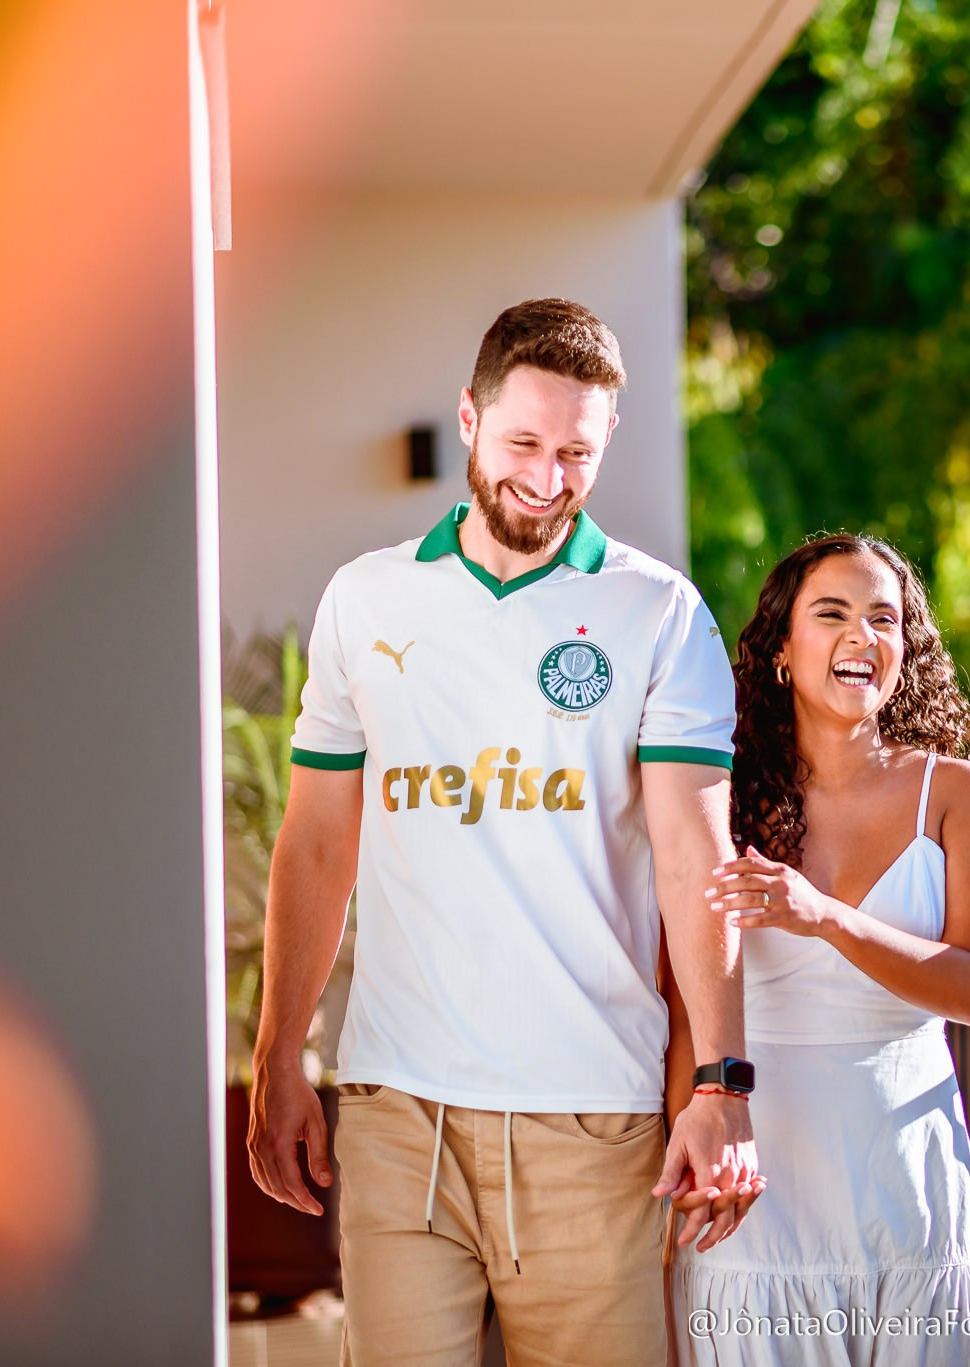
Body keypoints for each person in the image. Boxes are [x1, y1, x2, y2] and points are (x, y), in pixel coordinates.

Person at [246, 298, 762, 1367]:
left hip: (593, 1124)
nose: (546, 474)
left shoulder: (659, 612)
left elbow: (691, 856)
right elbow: (313, 844)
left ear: (607, 438)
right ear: (470, 420)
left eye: (575, 450)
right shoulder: (366, 598)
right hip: (399, 1115)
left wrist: (719, 1083)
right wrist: (278, 1055)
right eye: (523, 441)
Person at [671, 535, 970, 1366]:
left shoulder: (958, 793)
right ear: (783, 649)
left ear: (907, 651)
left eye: (884, 618)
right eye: (833, 614)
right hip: (758, 1196)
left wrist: (823, 915)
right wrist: (671, 1178)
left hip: (910, 1192)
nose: (863, 634)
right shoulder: (719, 801)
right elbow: (683, 1002)